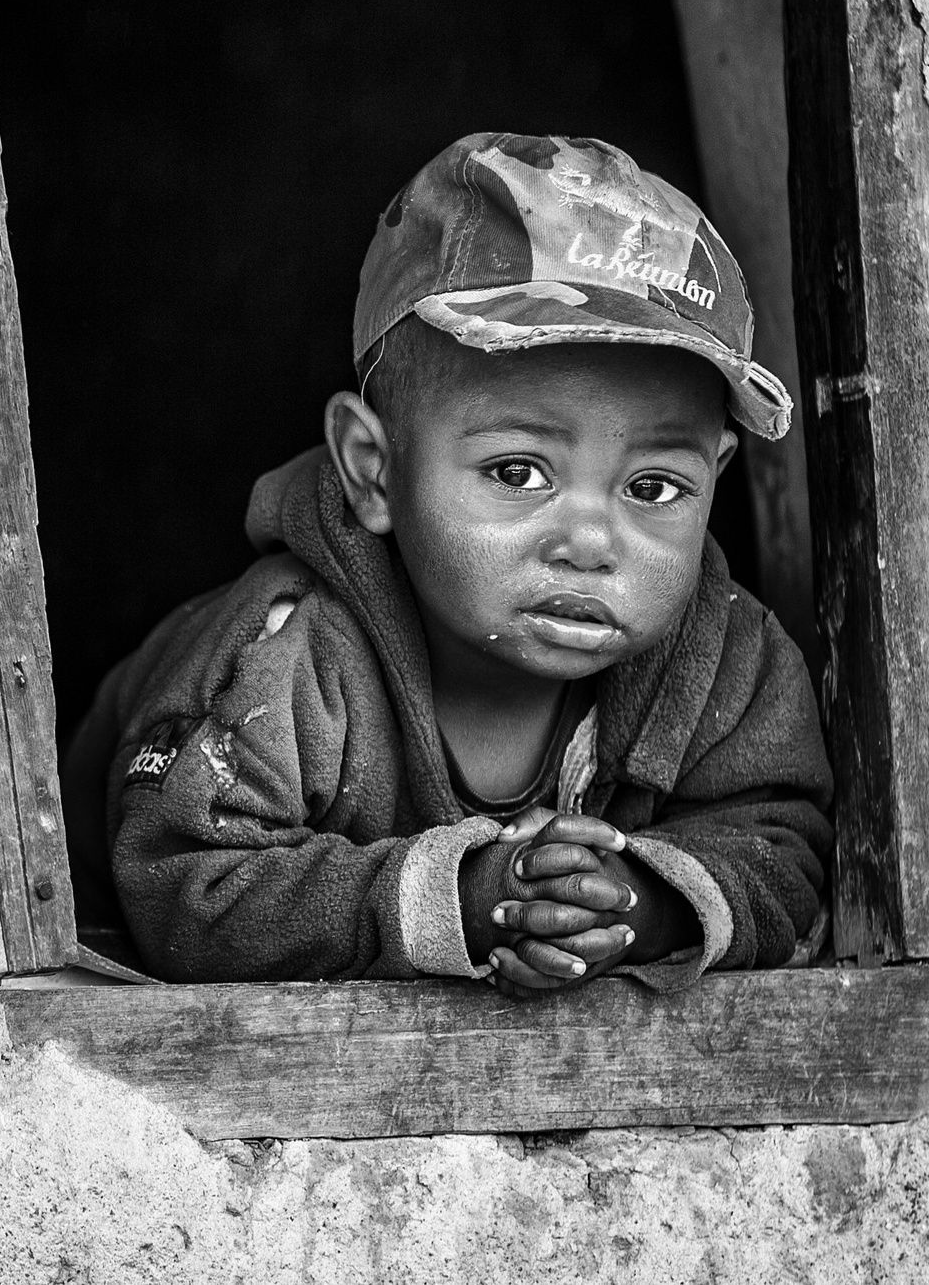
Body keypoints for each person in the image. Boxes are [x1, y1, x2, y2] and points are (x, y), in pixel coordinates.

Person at [61, 133, 833, 992]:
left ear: (716, 477)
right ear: (373, 470)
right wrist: (466, 901)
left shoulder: (725, 658)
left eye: (654, 488)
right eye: (518, 472)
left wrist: (637, 909)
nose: (591, 543)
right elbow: (185, 889)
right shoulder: (284, 656)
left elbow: (786, 851)